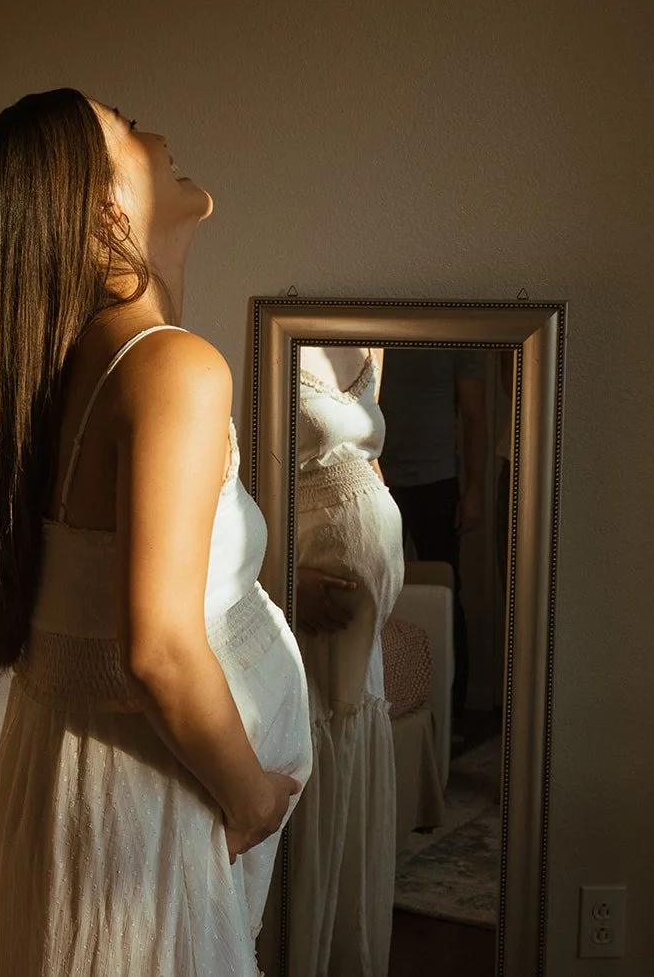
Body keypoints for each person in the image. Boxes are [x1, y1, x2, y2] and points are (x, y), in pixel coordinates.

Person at [0, 88, 312, 976]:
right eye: (126, 126)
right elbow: (158, 649)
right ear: (106, 205)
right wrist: (254, 797)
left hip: (91, 800)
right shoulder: (172, 369)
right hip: (150, 820)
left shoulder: (74, 374)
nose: (161, 134)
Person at [291, 345, 404, 977]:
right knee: (310, 786)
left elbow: (368, 459)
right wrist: (283, 579)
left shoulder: (370, 337)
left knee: (349, 778)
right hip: (298, 615)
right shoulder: (270, 329)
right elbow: (239, 485)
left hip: (363, 646)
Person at [375, 349, 488, 733]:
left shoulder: (455, 335)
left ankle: (452, 719)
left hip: (436, 483)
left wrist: (474, 490)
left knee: (446, 594)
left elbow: (474, 417)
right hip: (376, 478)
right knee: (375, 594)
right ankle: (381, 707)